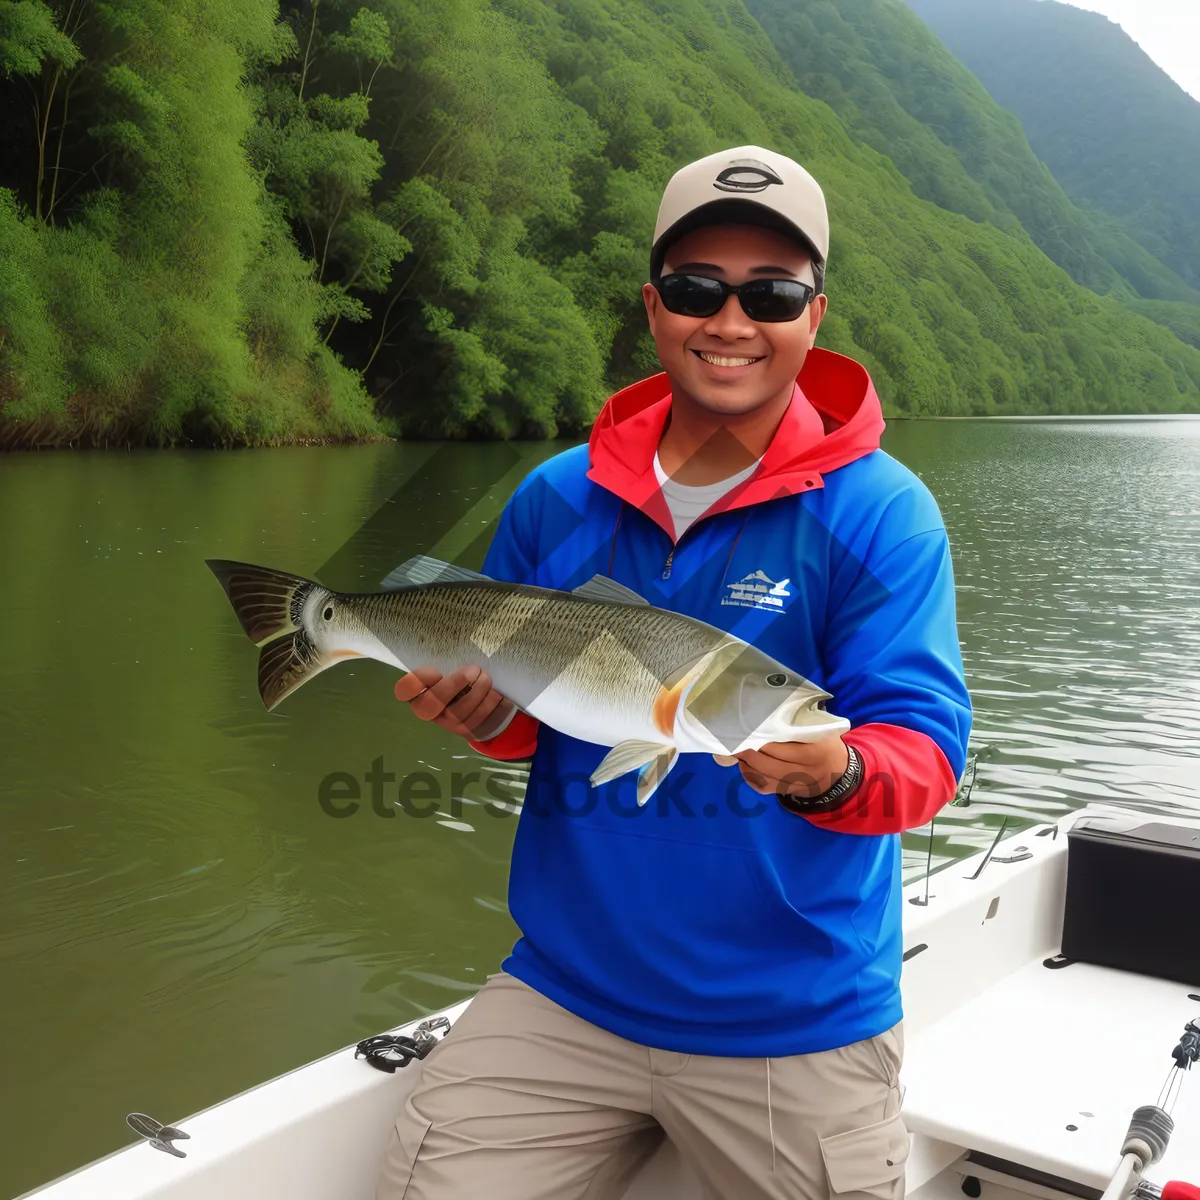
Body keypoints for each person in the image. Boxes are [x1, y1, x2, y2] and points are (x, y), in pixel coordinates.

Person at [377, 145, 972, 1200]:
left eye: (771, 292)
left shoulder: (882, 516)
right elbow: (534, 726)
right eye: (699, 288)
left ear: (813, 315)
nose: (732, 320)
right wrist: (479, 714)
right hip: (567, 994)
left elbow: (926, 754)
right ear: (654, 308)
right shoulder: (559, 497)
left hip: (795, 1021)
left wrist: (835, 773)